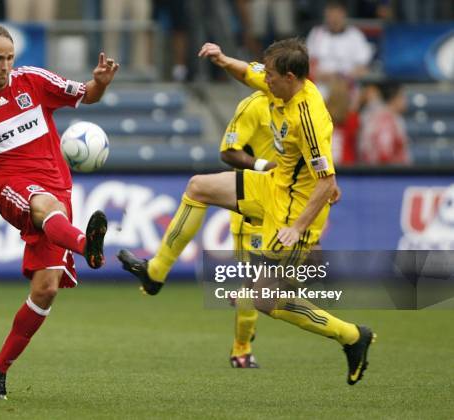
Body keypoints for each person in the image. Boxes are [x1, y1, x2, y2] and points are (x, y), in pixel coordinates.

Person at [118, 38, 375, 385]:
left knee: (264, 299)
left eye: (270, 75)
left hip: (294, 211)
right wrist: (223, 59)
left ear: (288, 76)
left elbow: (327, 184)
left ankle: (352, 336)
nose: (264, 79)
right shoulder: (282, 86)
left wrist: (298, 228)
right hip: (272, 185)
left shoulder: (309, 116)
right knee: (198, 187)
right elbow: (248, 73)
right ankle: (155, 272)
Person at [0, 24, 118, 400]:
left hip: (58, 186)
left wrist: (100, 82)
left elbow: (87, 95)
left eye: (9, 58)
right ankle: (85, 244)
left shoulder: (34, 81)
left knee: (46, 289)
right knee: (45, 206)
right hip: (12, 188)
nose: (5, 66)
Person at [218, 91, 277, 369]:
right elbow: (229, 152)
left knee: (291, 279)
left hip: (282, 209)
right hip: (251, 210)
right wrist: (264, 166)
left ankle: (243, 302)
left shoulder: (301, 105)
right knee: (255, 288)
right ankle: (241, 350)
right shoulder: (254, 106)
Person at [306, 0, 372, 99]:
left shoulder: (355, 35)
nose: (333, 20)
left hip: (348, 87)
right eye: (330, 16)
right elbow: (307, 64)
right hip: (320, 86)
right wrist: (319, 75)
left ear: (343, 15)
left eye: (336, 16)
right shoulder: (316, 33)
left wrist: (342, 77)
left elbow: (364, 69)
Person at [358, 82, 411, 165]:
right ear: (394, 98)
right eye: (402, 96)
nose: (405, 101)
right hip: (386, 174)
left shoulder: (390, 117)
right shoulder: (385, 121)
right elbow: (384, 154)